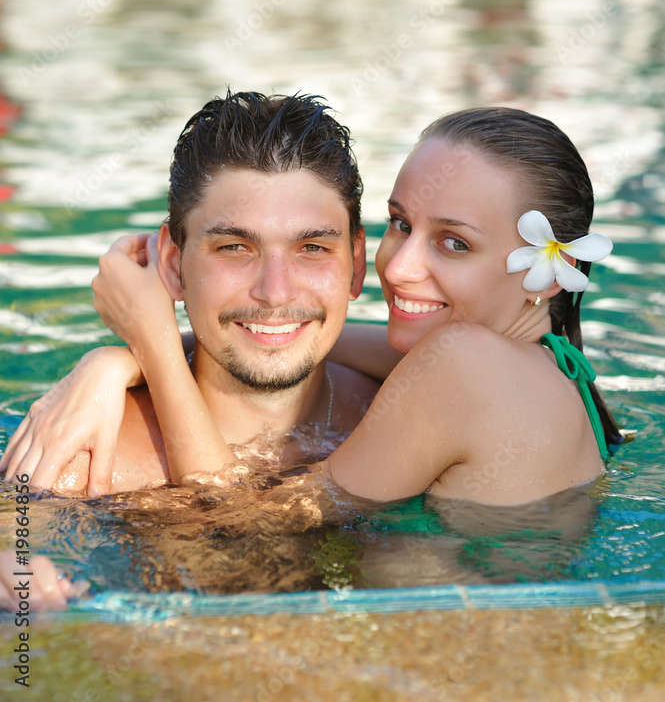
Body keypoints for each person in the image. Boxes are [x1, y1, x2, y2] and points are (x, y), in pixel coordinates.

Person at [85, 105, 621, 505]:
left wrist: (151, 339)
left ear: (546, 276)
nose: (400, 266)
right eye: (401, 224)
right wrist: (119, 360)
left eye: (454, 243)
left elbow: (240, 525)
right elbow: (293, 327)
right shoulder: (552, 370)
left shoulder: (464, 362)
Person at [0, 91, 382, 496]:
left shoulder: (403, 415)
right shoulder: (81, 463)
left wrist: (138, 351)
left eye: (312, 249)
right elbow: (17, 553)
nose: (275, 293)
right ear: (171, 264)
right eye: (234, 248)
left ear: (356, 265)